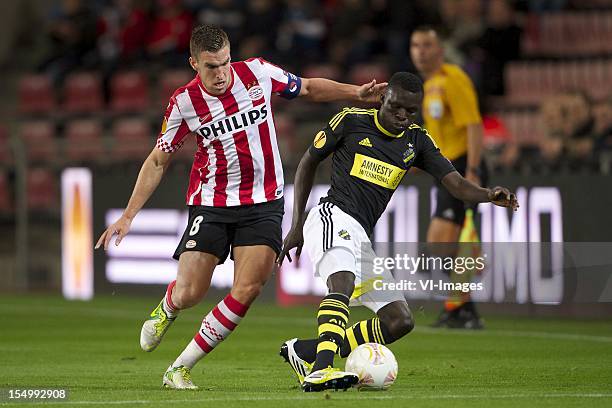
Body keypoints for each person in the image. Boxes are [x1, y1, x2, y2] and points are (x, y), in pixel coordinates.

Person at [95, 24, 387, 390]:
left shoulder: (258, 73)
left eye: (224, 63)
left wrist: (356, 93)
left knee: (248, 289)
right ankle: (169, 306)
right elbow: (158, 160)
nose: (220, 74)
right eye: (210, 67)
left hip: (264, 202)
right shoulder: (183, 103)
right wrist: (128, 215)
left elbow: (308, 87)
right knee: (191, 293)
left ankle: (180, 368)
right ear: (193, 64)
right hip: (212, 203)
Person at [277, 72, 518, 392]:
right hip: (332, 216)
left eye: (411, 111)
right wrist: (295, 226)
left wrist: (488, 194)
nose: (403, 116)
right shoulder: (350, 121)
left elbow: (456, 184)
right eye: (397, 107)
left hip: (360, 235)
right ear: (382, 99)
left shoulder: (417, 141)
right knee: (342, 284)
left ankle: (306, 352)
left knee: (399, 321)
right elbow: (308, 163)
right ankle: (321, 370)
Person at [410, 26, 488, 328]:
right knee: (446, 244)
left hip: (462, 167)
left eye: (427, 45)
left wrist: (473, 170)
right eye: (415, 45)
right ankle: (461, 306)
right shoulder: (429, 86)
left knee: (440, 241)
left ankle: (463, 305)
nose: (421, 51)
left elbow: (474, 125)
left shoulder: (454, 79)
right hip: (446, 168)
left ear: (440, 50)